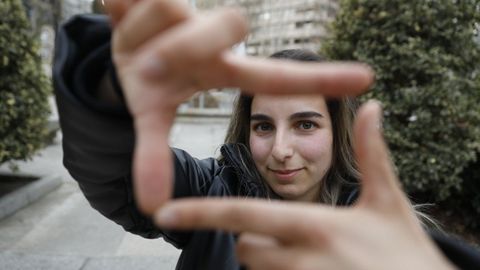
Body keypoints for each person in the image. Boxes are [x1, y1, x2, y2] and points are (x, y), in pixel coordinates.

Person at [53, 0, 480, 269]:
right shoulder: (214, 190)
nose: (280, 150)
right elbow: (110, 173)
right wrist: (105, 89)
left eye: (305, 124)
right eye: (263, 126)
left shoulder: (381, 235)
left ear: (339, 133)